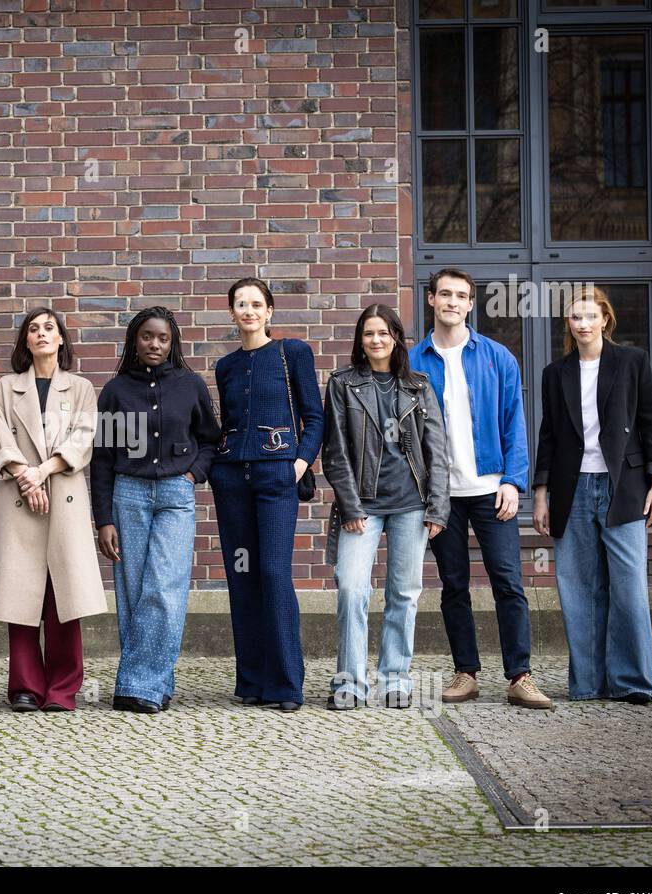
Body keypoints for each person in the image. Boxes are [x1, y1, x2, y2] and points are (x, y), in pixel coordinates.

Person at [409, 268, 552, 709]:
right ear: (431, 300)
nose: (452, 302)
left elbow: (515, 424)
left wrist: (513, 482)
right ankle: (466, 673)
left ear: (471, 304)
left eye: (461, 296)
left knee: (508, 582)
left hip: (492, 490)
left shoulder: (497, 357)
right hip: (441, 496)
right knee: (453, 585)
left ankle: (520, 677)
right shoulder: (413, 362)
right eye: (444, 294)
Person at [533, 286, 652, 704]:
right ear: (569, 325)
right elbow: (550, 436)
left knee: (628, 586)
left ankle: (632, 682)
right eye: (576, 317)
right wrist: (541, 495)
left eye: (591, 316)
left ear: (605, 320)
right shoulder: (556, 373)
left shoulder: (632, 361)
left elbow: (651, 424)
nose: (583, 323)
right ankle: (588, 684)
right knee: (578, 587)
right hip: (571, 489)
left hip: (623, 488)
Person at [91, 306, 219, 713]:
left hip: (175, 497)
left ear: (173, 343)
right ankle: (153, 683)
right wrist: (104, 520)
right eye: (147, 336)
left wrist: (194, 474)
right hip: (127, 495)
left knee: (164, 589)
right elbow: (103, 458)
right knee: (132, 592)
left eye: (163, 338)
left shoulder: (190, 385)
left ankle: (136, 686)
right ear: (134, 340)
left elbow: (211, 441)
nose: (155, 344)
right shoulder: (115, 391)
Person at [322, 305, 449, 709]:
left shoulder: (419, 385)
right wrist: (350, 504)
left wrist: (438, 508)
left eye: (383, 333)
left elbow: (437, 450)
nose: (376, 340)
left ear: (396, 337)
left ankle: (396, 679)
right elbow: (335, 451)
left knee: (404, 593)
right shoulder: (343, 384)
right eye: (368, 334)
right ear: (360, 340)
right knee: (352, 588)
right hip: (362, 506)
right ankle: (350, 683)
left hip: (411, 503)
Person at [211, 278, 324, 712]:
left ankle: (285, 684)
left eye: (257, 304)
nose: (249, 311)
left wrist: (299, 463)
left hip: (277, 478)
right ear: (232, 313)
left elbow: (314, 416)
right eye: (241, 304)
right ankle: (254, 681)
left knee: (274, 573)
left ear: (270, 311)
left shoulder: (293, 353)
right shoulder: (226, 367)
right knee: (243, 576)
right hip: (232, 480)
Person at [0, 307, 106, 712]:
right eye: (33, 329)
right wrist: (27, 478)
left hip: (64, 496)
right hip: (18, 499)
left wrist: (41, 472)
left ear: (60, 339)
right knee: (20, 594)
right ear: (25, 341)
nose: (41, 334)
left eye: (49, 328)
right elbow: (0, 440)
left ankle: (62, 690)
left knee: (63, 595)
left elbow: (82, 440)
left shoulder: (81, 388)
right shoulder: (5, 387)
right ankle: (24, 687)